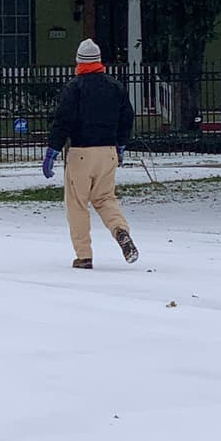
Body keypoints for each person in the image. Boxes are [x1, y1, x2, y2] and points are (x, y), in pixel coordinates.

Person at [42, 39, 138, 269]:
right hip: (108, 152)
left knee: (77, 204)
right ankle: (121, 231)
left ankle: (84, 255)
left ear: (78, 62)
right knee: (105, 199)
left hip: (80, 153)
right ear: (99, 62)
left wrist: (52, 150)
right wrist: (121, 145)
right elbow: (127, 117)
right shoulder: (115, 86)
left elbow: (63, 121)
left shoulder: (74, 88)